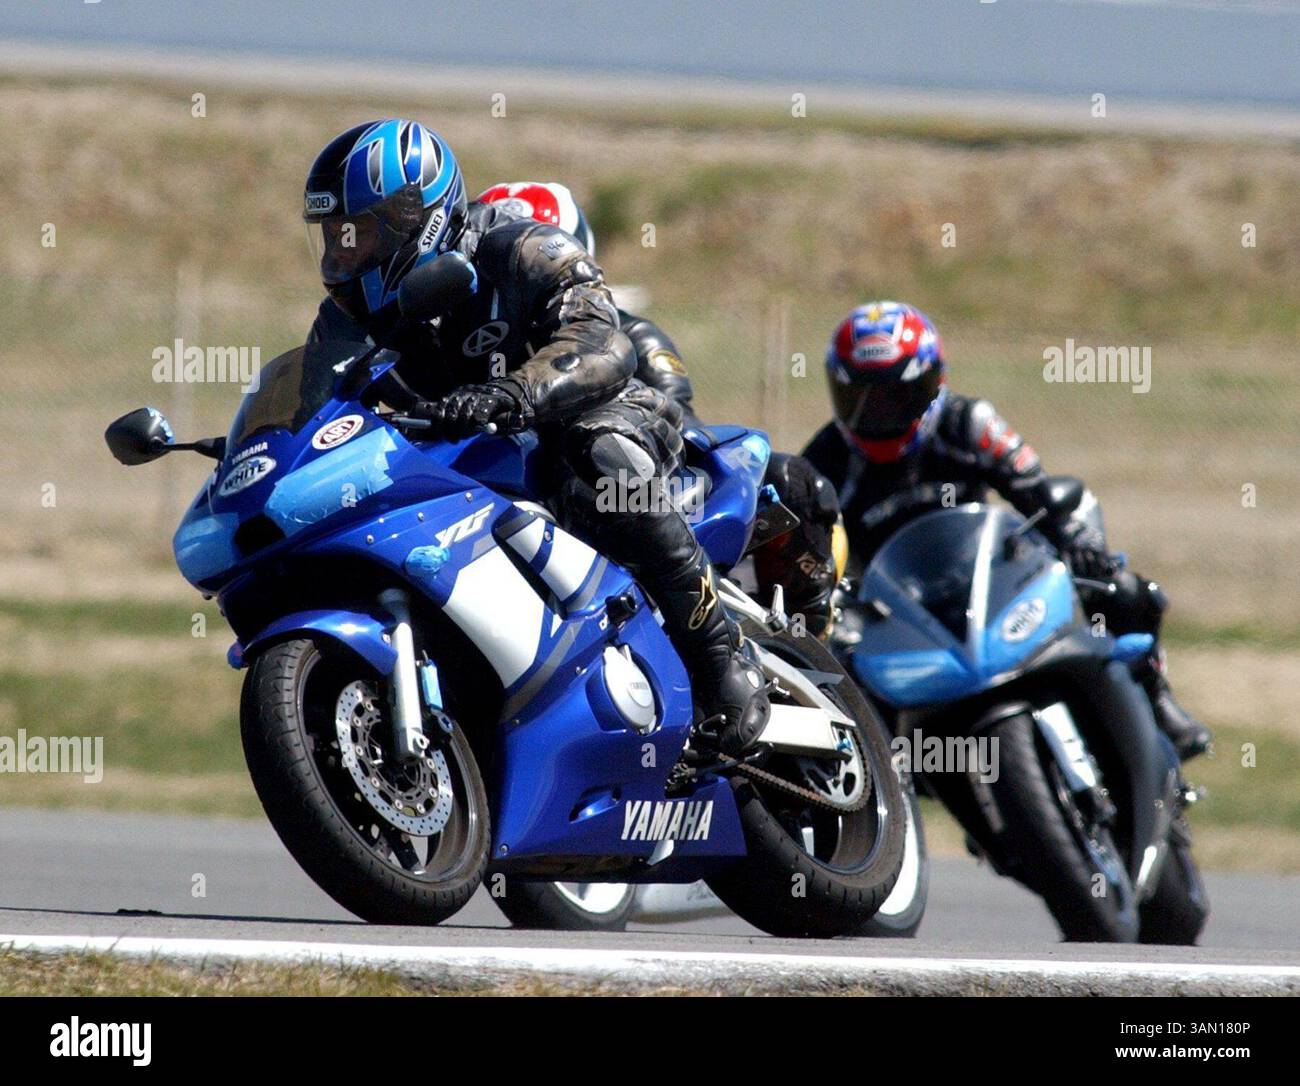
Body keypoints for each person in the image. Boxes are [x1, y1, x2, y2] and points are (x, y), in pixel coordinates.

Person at [301, 120, 769, 754]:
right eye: (334, 237)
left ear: (418, 215)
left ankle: (720, 656)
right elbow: (318, 409)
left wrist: (514, 393)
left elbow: (602, 340)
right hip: (473, 464)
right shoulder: (344, 321)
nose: (344, 253)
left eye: (361, 232)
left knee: (596, 454)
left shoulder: (518, 247)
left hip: (605, 411)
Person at [800, 300, 1211, 760]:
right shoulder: (823, 465)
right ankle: (891, 796)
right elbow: (811, 557)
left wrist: (1079, 541)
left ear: (934, 383)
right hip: (901, 619)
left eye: (897, 396)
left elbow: (1035, 491)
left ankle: (1156, 701)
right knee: (841, 685)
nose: (878, 416)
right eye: (860, 399)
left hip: (990, 584)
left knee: (1124, 590)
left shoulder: (968, 423)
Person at [476, 180, 842, 636]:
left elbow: (682, 435)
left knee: (793, 482)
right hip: (523, 516)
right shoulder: (472, 349)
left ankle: (799, 630)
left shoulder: (633, 340)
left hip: (640, 501)